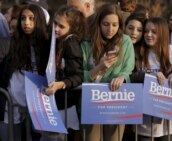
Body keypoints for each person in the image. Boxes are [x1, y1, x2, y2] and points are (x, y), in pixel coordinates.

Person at [81, 4, 135, 141]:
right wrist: (99, 67)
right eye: (106, 24)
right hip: (92, 100)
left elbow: (128, 69)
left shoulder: (126, 41)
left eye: (114, 25)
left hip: (115, 101)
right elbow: (80, 74)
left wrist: (122, 76)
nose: (110, 29)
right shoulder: (87, 43)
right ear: (99, 23)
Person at [130, 17, 172, 141]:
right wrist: (147, 76)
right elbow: (130, 76)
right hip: (142, 121)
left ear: (162, 33)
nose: (149, 35)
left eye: (154, 32)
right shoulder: (137, 52)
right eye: (146, 31)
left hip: (167, 122)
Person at [0, 4, 50, 141]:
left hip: (37, 105)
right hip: (12, 105)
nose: (26, 23)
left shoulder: (47, 45)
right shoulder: (10, 43)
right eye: (23, 18)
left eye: (31, 18)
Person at [38, 5, 86, 141]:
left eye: (61, 26)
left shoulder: (71, 43)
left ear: (72, 28)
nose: (56, 28)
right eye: (55, 24)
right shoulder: (55, 40)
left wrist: (61, 84)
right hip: (52, 102)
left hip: (63, 105)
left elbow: (78, 76)